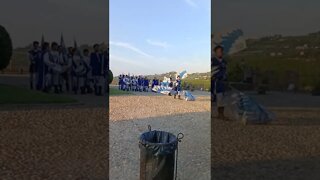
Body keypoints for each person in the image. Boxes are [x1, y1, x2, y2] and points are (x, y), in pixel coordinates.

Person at [212, 45, 228, 120]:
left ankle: (221, 114)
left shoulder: (224, 61)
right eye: (218, 52)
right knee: (213, 97)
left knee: (221, 98)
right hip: (214, 82)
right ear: (215, 53)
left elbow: (225, 71)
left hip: (222, 82)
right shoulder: (212, 61)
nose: (219, 53)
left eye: (220, 51)